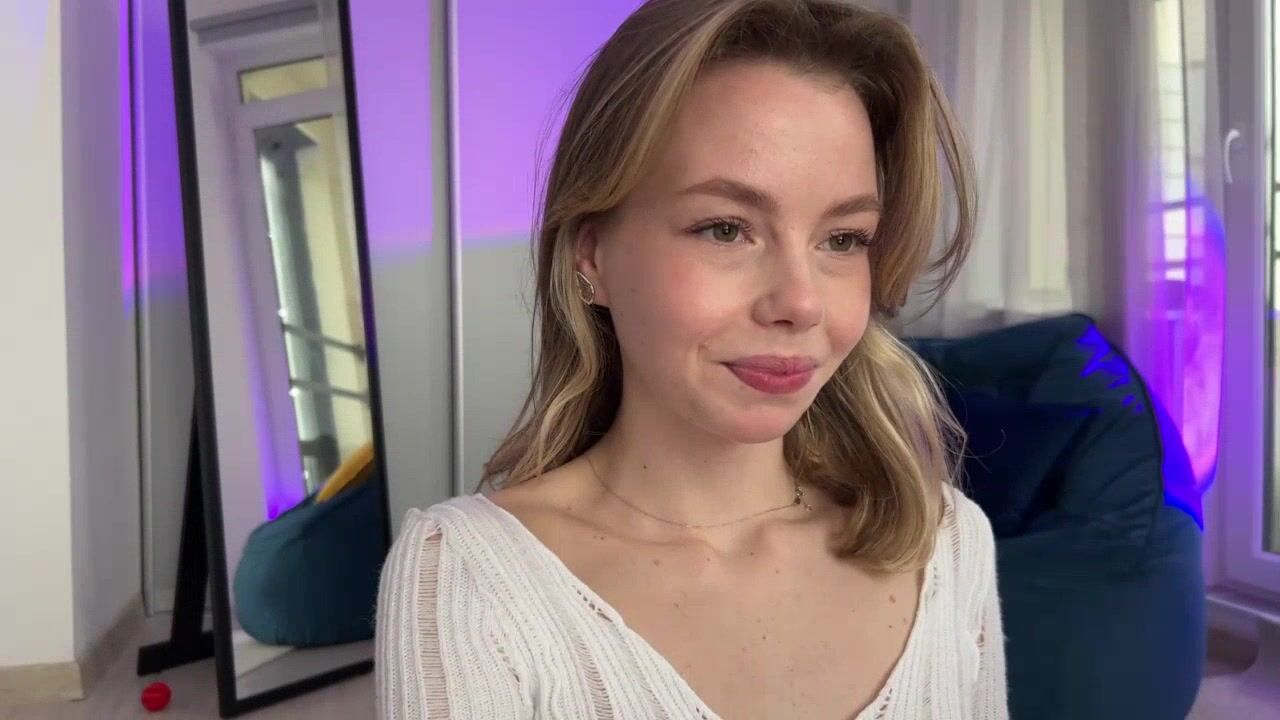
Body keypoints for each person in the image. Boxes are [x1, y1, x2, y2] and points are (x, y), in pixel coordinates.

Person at [376, 0, 1006, 717]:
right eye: (726, 229)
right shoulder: (468, 579)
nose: (801, 303)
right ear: (592, 255)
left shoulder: (947, 545)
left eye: (843, 239)